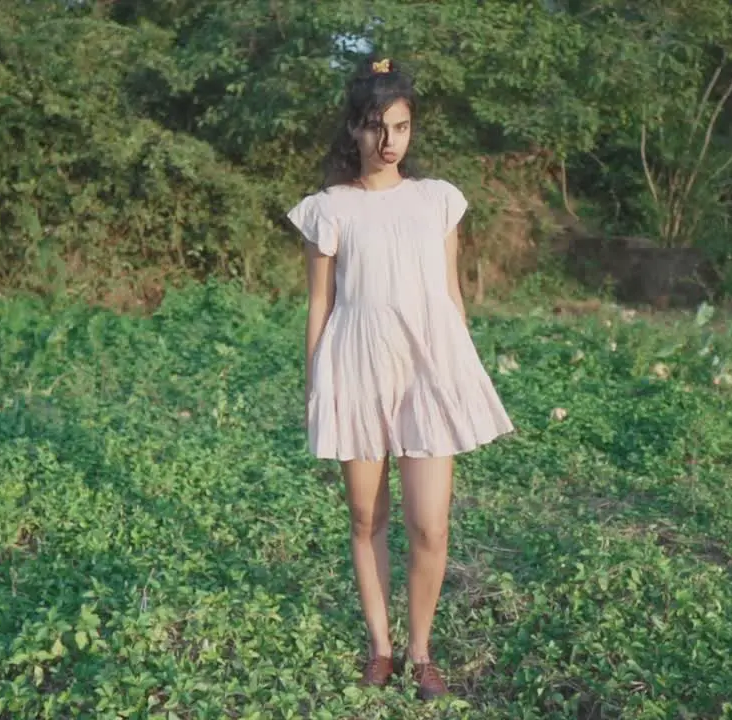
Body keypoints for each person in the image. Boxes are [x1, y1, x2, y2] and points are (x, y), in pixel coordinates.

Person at [286, 56, 515, 701]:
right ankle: (381, 649)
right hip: (355, 366)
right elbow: (319, 306)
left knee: (430, 526)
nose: (388, 143)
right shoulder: (329, 209)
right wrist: (315, 388)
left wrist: (461, 373)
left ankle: (422, 652)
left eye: (401, 127)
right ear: (353, 130)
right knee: (365, 517)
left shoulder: (438, 200)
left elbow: (450, 295)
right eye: (375, 128)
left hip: (426, 367)